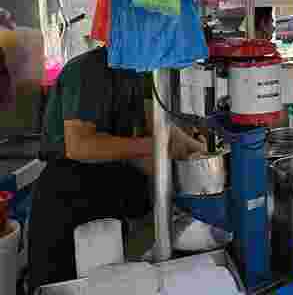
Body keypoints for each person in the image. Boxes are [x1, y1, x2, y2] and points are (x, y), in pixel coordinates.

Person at [28, 47, 206, 293]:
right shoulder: (87, 70)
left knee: (107, 284)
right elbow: (80, 145)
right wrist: (157, 146)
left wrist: (200, 154)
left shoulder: (141, 74)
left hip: (107, 196)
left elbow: (155, 125)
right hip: (69, 198)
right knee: (64, 284)